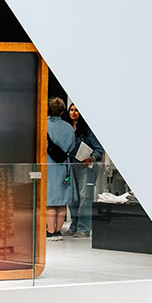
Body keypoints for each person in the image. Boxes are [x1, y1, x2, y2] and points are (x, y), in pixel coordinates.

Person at [67, 102, 103, 237]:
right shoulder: (67, 128)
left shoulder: (88, 129)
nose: (73, 112)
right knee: (72, 197)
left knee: (85, 196)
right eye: (71, 109)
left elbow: (99, 149)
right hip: (71, 165)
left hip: (86, 166)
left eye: (76, 110)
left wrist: (91, 158)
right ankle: (74, 225)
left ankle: (84, 228)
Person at [44, 97, 76, 238]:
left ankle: (50, 232)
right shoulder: (69, 128)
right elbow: (72, 147)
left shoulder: (44, 125)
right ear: (63, 111)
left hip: (49, 165)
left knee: (50, 201)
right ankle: (58, 230)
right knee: (62, 201)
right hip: (64, 166)